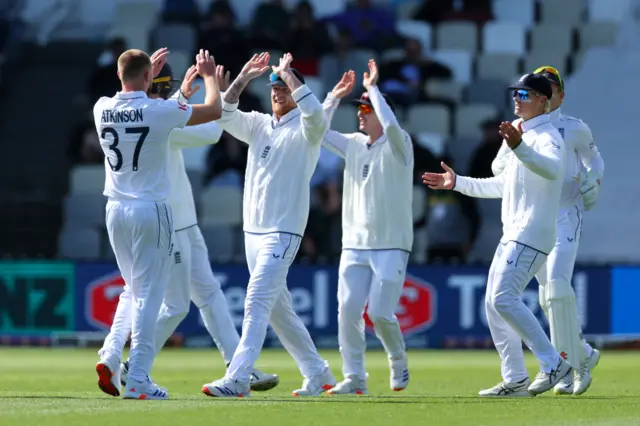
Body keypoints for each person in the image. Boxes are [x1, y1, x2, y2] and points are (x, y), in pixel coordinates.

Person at [116, 63, 279, 392]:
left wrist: (187, 94)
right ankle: (132, 367)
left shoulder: (154, 112)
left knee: (210, 293)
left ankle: (238, 368)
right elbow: (211, 131)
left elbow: (172, 111)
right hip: (171, 225)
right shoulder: (160, 118)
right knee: (176, 304)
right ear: (154, 87)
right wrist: (211, 89)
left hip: (184, 222)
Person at [422, 73, 573, 397]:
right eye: (516, 93)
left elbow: (552, 169)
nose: (518, 98)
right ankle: (516, 377)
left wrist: (519, 147)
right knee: (494, 303)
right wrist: (457, 182)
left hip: (532, 232)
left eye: (526, 94)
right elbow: (499, 184)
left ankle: (553, 362)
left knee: (503, 297)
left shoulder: (547, 137)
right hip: (516, 231)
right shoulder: (520, 136)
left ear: (544, 102)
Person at [201, 52, 337, 398]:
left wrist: (288, 73)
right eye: (273, 87)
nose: (277, 91)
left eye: (284, 87)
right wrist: (244, 77)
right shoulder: (260, 123)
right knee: (279, 312)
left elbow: (317, 115)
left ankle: (238, 377)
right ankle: (318, 374)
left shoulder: (308, 129)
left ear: (297, 90)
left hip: (284, 230)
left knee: (257, 299)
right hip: (254, 232)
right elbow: (225, 113)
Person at [94, 48, 222, 400]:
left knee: (132, 291)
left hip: (115, 209)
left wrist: (144, 69)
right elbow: (213, 111)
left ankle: (109, 354)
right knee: (150, 295)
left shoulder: (101, 107)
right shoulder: (159, 111)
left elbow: (128, 86)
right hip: (151, 210)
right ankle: (138, 377)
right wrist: (210, 77)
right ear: (150, 77)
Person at [492, 66, 604, 395]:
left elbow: (595, 162)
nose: (548, 93)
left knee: (555, 285)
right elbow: (499, 167)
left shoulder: (575, 129)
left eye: (553, 88)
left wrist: (592, 181)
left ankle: (567, 366)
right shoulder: (521, 128)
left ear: (559, 95)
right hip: (535, 218)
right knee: (546, 295)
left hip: (566, 214)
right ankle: (582, 355)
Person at [321, 60, 413, 395]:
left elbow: (390, 127)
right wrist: (332, 97)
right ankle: (355, 376)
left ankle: (397, 358)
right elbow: (317, 131)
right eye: (359, 108)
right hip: (355, 244)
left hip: (391, 244)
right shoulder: (354, 144)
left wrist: (373, 88)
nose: (360, 114)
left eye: (366, 109)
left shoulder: (400, 143)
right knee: (347, 311)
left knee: (380, 312)